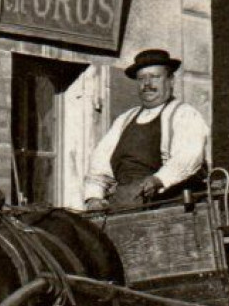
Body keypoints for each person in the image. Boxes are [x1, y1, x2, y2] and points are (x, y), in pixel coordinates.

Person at [82, 48, 211, 212]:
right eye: (142, 78)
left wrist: (158, 179)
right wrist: (94, 197)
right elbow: (100, 163)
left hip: (168, 204)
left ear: (171, 81)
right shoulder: (124, 119)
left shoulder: (184, 114)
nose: (147, 84)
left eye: (155, 77)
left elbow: (188, 157)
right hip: (124, 201)